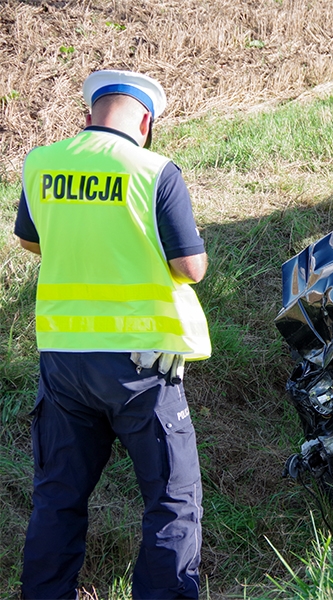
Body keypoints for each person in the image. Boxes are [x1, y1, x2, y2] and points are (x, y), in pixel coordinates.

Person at [14, 70, 212, 599]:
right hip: (140, 368)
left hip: (62, 362)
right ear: (145, 122)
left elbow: (33, 242)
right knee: (172, 499)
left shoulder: (40, 163)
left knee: (58, 496)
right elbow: (191, 267)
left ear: (90, 114)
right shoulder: (155, 171)